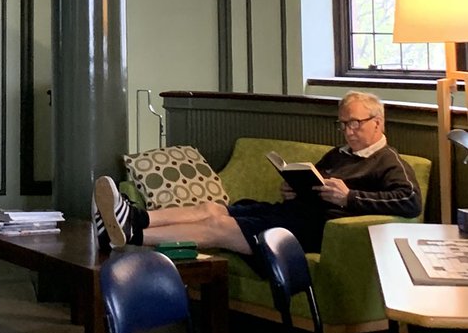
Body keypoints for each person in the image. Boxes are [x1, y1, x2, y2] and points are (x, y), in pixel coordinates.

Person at [93, 90, 422, 255]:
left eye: (356, 123)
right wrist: (295, 187)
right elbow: (316, 180)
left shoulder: (389, 161)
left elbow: (409, 201)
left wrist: (349, 197)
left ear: (377, 123)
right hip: (291, 213)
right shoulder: (338, 154)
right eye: (344, 124)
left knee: (218, 226)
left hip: (313, 230)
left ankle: (130, 236)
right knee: (212, 208)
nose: (348, 130)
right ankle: (135, 218)